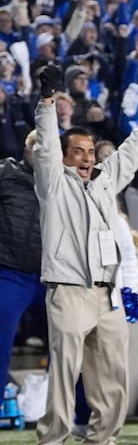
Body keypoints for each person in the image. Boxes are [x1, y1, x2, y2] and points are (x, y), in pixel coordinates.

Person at [32, 63, 138, 445]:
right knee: (64, 373)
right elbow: (45, 146)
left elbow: (132, 149)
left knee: (113, 374)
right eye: (77, 151)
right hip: (69, 290)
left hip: (107, 293)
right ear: (63, 157)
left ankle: (103, 442)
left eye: (90, 152)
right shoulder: (54, 183)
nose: (86, 157)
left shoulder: (106, 179)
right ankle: (52, 444)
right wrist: (47, 102)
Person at [0, 131, 43, 392]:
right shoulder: (6, 173)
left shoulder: (65, 182)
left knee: (73, 341)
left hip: (50, 276)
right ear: (27, 152)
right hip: (10, 272)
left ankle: (78, 413)